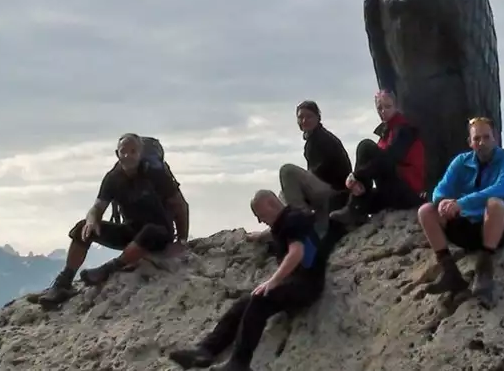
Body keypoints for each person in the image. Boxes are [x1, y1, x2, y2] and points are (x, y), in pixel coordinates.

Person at [169, 190, 328, 371]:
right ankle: (205, 350)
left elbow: (297, 252)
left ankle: (240, 363)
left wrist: (273, 281)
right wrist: (258, 236)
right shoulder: (287, 220)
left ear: (270, 204)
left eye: (260, 215)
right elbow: (275, 233)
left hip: (307, 285)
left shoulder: (294, 219)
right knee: (244, 303)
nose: (260, 221)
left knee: (260, 299)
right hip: (295, 282)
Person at [36, 133, 190, 308]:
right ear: (117, 154)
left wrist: (181, 240)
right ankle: (64, 283)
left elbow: (180, 205)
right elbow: (97, 207)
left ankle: (109, 269)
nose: (128, 155)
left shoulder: (155, 174)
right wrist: (92, 221)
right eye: (123, 151)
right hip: (131, 231)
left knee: (149, 231)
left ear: (140, 152)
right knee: (82, 228)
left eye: (133, 151)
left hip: (160, 233)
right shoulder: (113, 178)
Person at [417, 117, 504, 306]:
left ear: (495, 138)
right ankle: (450, 273)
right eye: (477, 139)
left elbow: (502, 188)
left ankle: (484, 271)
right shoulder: (461, 162)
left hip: (497, 229)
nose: (482, 143)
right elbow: (440, 189)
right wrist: (442, 202)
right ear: (470, 142)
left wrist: (462, 203)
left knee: (495, 204)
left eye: (486, 137)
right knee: (426, 211)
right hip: (468, 228)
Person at [249, 100, 352, 240]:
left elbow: (321, 173)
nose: (304, 120)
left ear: (318, 117)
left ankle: (302, 220)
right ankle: (279, 227)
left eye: (309, 116)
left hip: (335, 191)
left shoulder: (322, 139)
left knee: (287, 171)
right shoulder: (313, 140)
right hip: (327, 189)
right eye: (300, 117)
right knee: (284, 194)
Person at [329, 90, 425, 228]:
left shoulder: (405, 130)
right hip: (391, 190)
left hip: (406, 192)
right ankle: (355, 211)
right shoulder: (386, 133)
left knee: (365, 146)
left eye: (388, 106)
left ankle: (353, 208)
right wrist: (358, 182)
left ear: (396, 107)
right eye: (379, 108)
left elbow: (388, 160)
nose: (383, 111)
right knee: (348, 199)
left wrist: (357, 175)